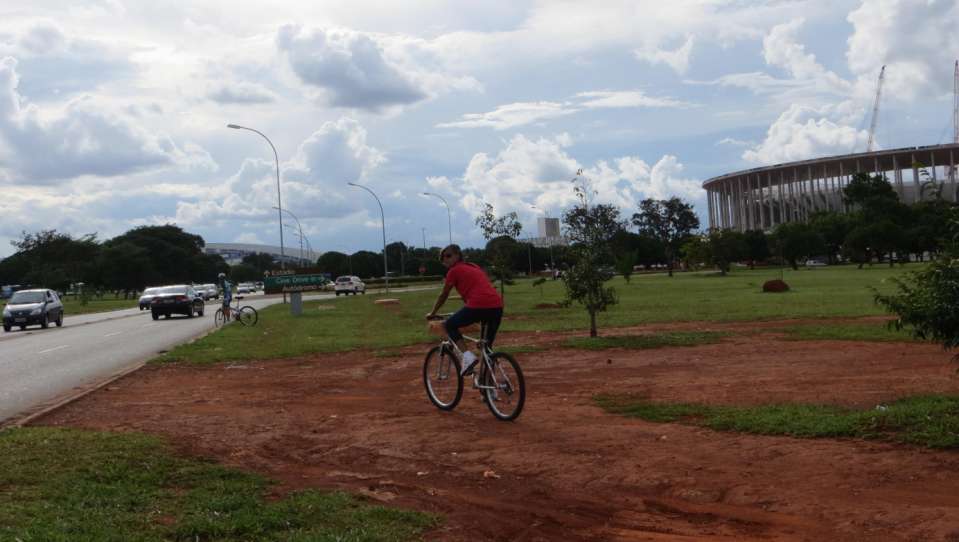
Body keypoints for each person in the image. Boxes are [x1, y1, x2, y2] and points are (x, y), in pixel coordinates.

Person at [426, 244, 503, 376]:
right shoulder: (474, 266)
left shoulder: (453, 271)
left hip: (479, 305)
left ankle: (468, 357)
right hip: (496, 306)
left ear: (458, 255)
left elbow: (444, 295)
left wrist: (433, 313)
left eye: (448, 256)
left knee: (449, 324)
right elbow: (471, 294)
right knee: (487, 347)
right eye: (442, 258)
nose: (445, 259)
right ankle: (490, 390)